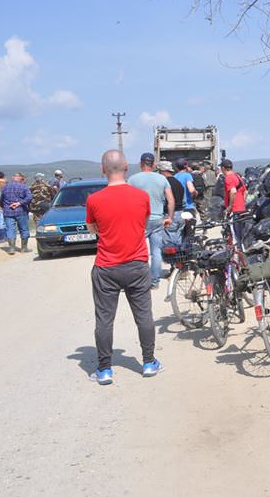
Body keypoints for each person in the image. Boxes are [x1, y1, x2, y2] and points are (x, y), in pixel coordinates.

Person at [85, 149, 162, 385]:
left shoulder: (94, 199)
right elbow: (143, 223)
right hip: (137, 264)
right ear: (127, 167)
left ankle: (105, 368)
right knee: (144, 316)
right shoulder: (141, 197)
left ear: (102, 169)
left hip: (106, 267)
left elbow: (92, 229)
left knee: (105, 320)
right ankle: (148, 362)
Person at [128, 152, 175, 290]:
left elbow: (127, 200)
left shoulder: (132, 180)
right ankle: (154, 281)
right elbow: (171, 200)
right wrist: (170, 217)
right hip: (158, 219)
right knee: (156, 251)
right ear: (154, 164)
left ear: (140, 163)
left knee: (137, 251)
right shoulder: (162, 179)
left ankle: (138, 280)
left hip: (140, 220)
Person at [1, 172, 33, 254]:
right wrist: (19, 203)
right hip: (21, 211)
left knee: (10, 230)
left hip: (8, 211)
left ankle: (11, 248)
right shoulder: (24, 186)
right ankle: (24, 248)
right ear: (20, 178)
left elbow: (1, 199)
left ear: (13, 177)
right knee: (24, 229)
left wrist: (6, 206)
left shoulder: (5, 187)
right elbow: (29, 197)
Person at [220, 158, 248, 242]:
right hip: (242, 209)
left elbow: (233, 191)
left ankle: (237, 253)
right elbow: (246, 191)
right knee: (241, 234)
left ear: (223, 168)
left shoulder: (228, 178)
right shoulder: (238, 176)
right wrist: (242, 202)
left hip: (234, 210)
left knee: (235, 236)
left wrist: (230, 206)